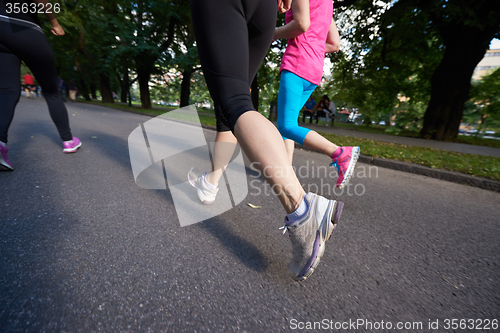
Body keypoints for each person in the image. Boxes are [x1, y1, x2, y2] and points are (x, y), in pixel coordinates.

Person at [189, 0, 346, 282]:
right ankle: (211, 182)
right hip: (265, 9)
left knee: (233, 102)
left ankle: (303, 208)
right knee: (234, 101)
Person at [274, 0, 359, 188]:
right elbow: (334, 44)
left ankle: (340, 153)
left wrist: (272, 34)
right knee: (288, 125)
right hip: (313, 71)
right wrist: (313, 46)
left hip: (296, 64)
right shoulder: (327, 3)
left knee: (286, 125)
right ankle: (285, 175)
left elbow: (301, 25)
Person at [0, 0, 82, 171]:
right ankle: (68, 141)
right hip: (23, 26)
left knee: (7, 90)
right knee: (52, 91)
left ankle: (0, 144)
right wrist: (55, 22)